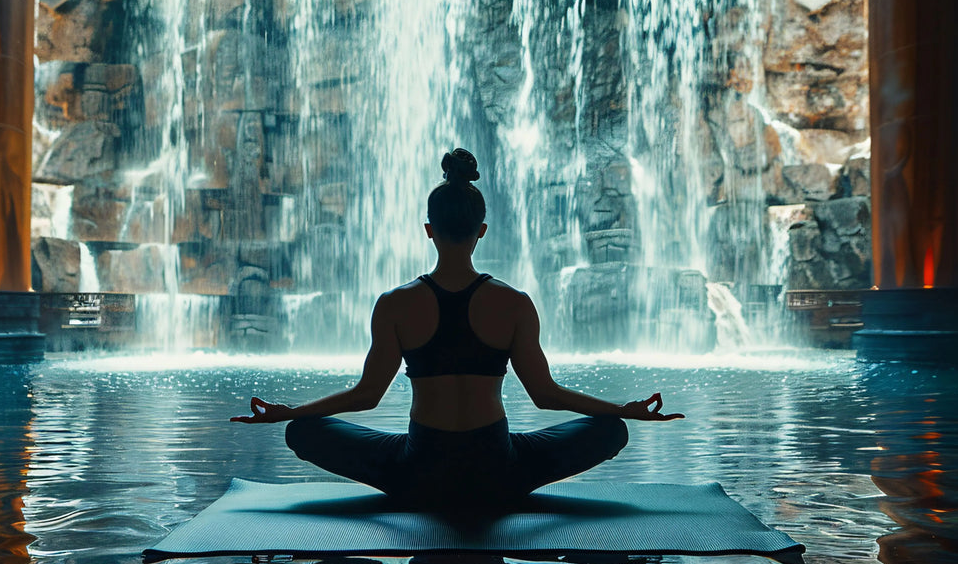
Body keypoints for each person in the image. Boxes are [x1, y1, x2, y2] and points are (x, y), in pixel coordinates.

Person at [232, 148, 683, 510]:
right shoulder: (515, 303)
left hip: (419, 473)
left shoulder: (394, 304)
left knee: (303, 432)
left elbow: (366, 396)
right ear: (481, 230)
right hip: (499, 472)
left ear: (429, 230)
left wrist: (289, 412)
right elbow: (546, 396)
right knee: (610, 430)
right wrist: (625, 411)